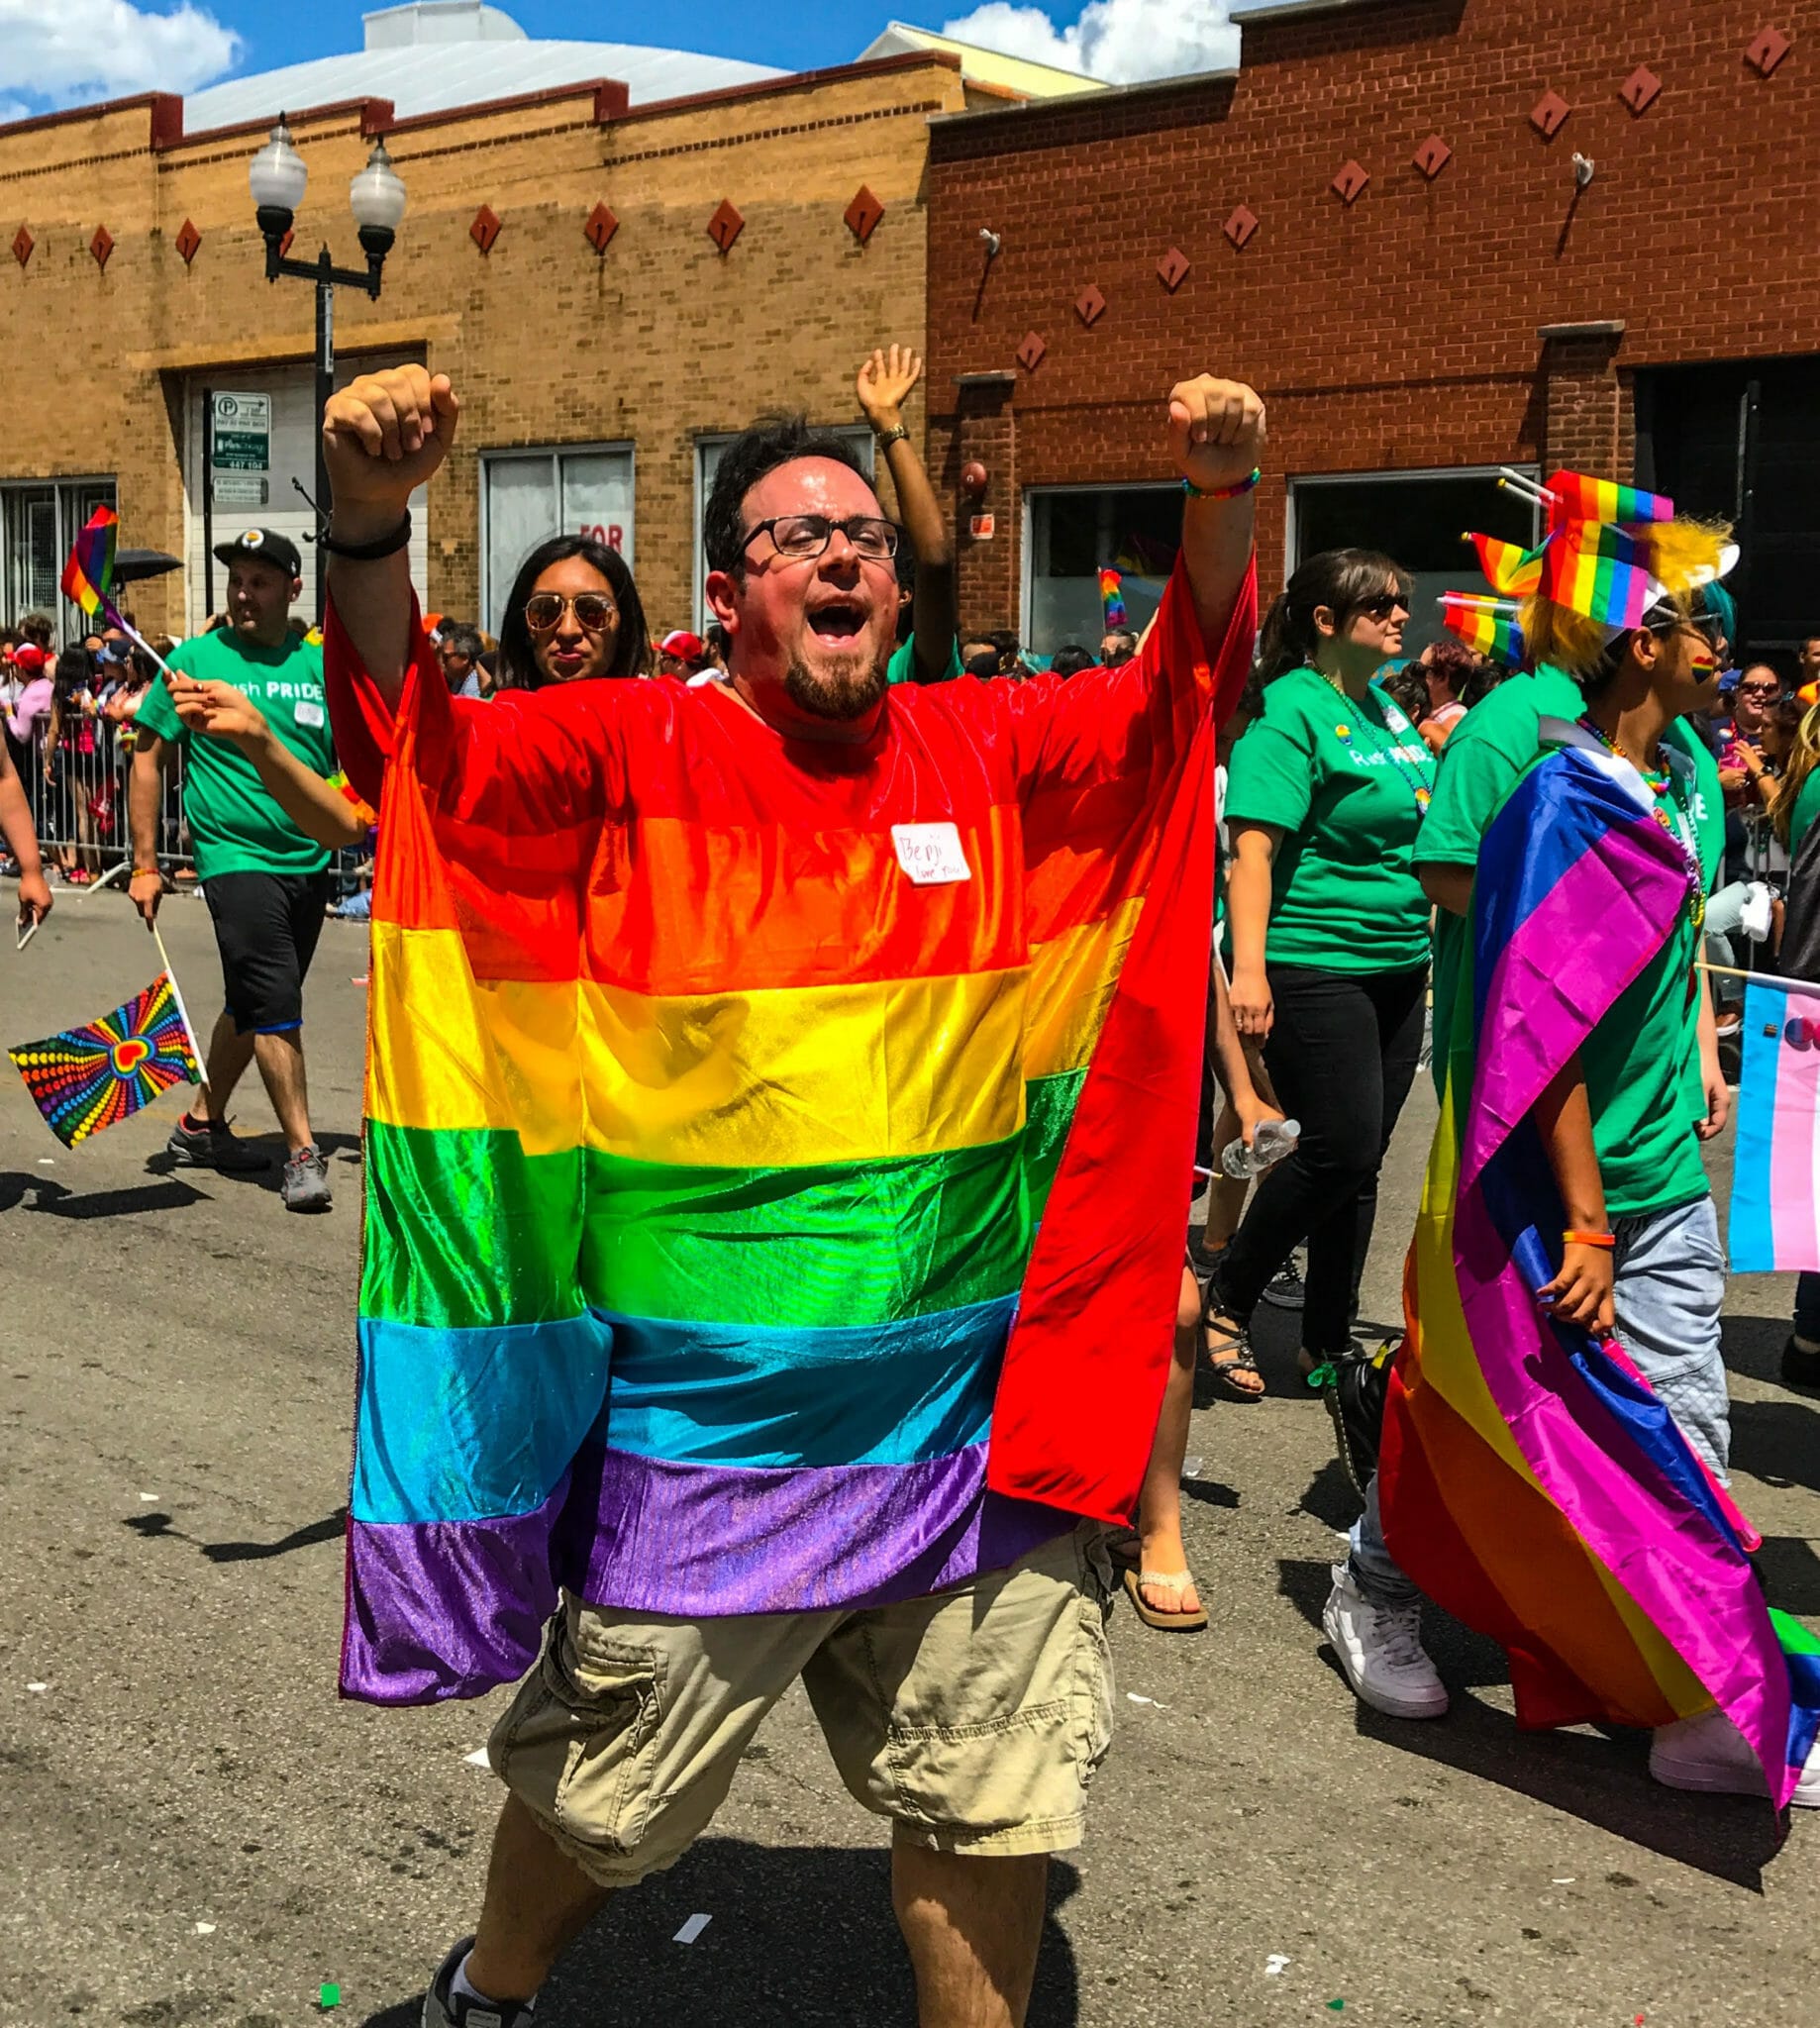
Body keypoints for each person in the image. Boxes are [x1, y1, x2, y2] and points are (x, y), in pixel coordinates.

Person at [319, 359, 1263, 2028]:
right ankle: (489, 1988)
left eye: (854, 534)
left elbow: (1179, 690)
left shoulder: (987, 738)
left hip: (969, 1434)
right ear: (727, 592)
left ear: (896, 580)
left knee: (993, 1797)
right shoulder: (628, 736)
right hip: (708, 1448)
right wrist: (376, 520)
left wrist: (1218, 497)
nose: (832, 556)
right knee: (604, 1800)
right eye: (786, 537)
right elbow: (419, 750)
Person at [1364, 518, 1817, 1806]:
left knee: (1678, 1428)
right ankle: (1375, 1581)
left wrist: (1701, 1058)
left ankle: (1704, 1700)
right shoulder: (1539, 766)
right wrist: (1580, 1215)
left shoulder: (1678, 764)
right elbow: (1532, 1000)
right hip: (1536, 1171)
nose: (1728, 652)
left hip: (1653, 1167)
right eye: (1699, 626)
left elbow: (1668, 942)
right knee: (1483, 1408)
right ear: (1636, 642)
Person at [1203, 554, 1432, 1394]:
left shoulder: (1385, 712)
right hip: (1313, 962)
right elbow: (1251, 853)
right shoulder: (1289, 715)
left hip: (1398, 965)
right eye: (1382, 604)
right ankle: (1226, 1295)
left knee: (1362, 1157)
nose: (1402, 615)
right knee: (1333, 1147)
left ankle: (1327, 1337)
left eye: (1403, 602)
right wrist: (1250, 973)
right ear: (1326, 622)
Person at [127, 531, 341, 1211]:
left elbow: (345, 769)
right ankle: (303, 1153)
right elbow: (146, 757)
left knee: (254, 1004)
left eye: (261, 581)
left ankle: (198, 1125)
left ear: (293, 590)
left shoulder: (318, 670)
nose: (245, 593)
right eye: (237, 581)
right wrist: (144, 864)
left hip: (309, 859)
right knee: (276, 1003)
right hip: (234, 859)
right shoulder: (192, 662)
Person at [491, 534, 649, 690]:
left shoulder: (663, 712)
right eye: (546, 611)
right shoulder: (487, 714)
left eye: (592, 612)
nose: (567, 630)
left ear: (624, 627)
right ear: (524, 628)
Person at [437, 622, 486, 698]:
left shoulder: (473, 688)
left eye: (446, 657)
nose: (443, 662)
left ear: (464, 657)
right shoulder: (459, 681)